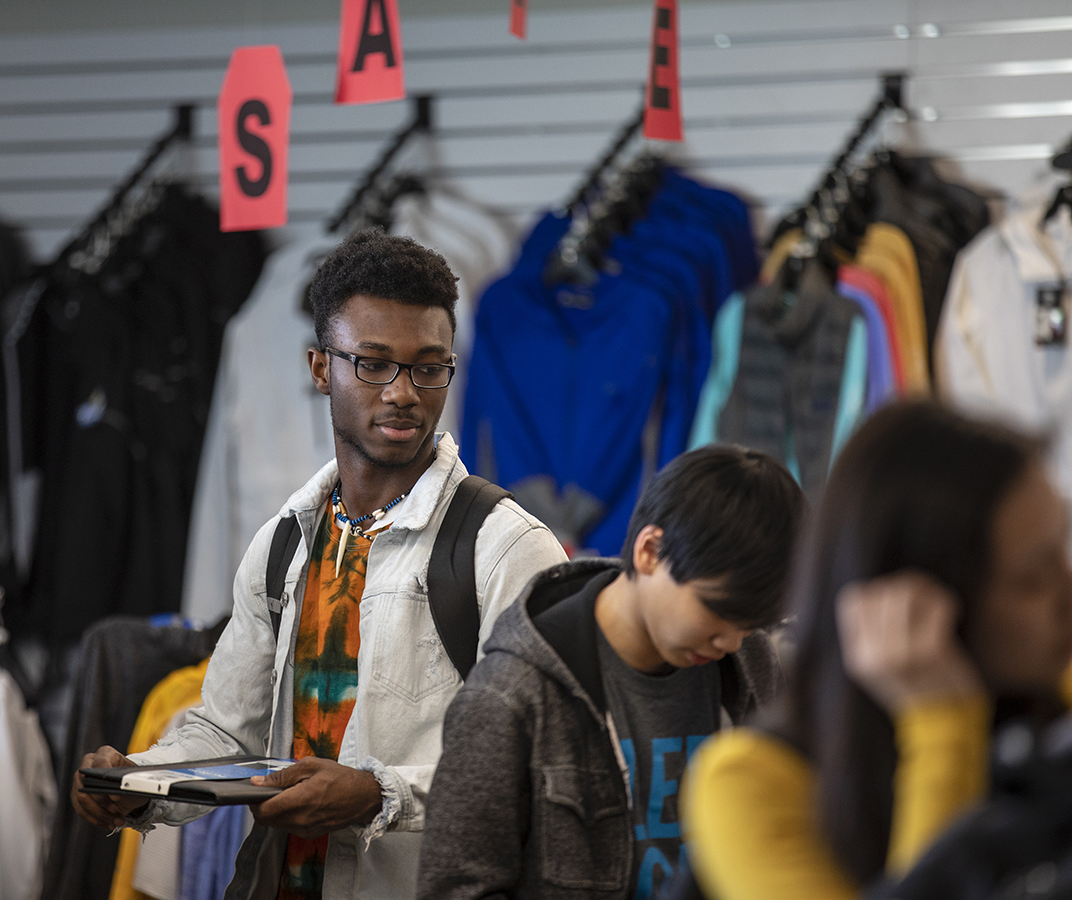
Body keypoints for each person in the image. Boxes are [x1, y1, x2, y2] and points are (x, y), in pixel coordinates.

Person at [70, 229, 567, 900]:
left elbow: (539, 763)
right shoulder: (284, 545)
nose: (402, 392)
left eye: (428, 366)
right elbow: (227, 729)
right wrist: (136, 782)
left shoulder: (506, 548)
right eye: (372, 363)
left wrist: (376, 794)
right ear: (317, 368)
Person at [682, 402, 1072, 900]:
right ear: (924, 598)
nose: (1067, 592)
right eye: (1032, 578)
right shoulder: (750, 783)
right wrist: (943, 724)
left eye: (1063, 546)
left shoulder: (1053, 691)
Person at [416, 444, 805, 900]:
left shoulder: (749, 664)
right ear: (651, 551)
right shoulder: (510, 696)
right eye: (719, 610)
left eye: (752, 623)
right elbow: (457, 888)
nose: (732, 641)